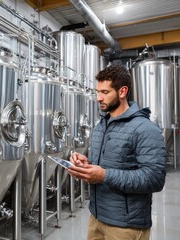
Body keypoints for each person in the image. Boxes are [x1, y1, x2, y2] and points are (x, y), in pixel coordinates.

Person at [68, 64, 167, 240]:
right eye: (97, 92)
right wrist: (86, 163)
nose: (98, 98)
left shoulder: (145, 128)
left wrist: (104, 175)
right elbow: (109, 163)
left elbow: (154, 179)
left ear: (122, 92)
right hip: (96, 217)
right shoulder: (101, 126)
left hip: (125, 227)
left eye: (105, 92)